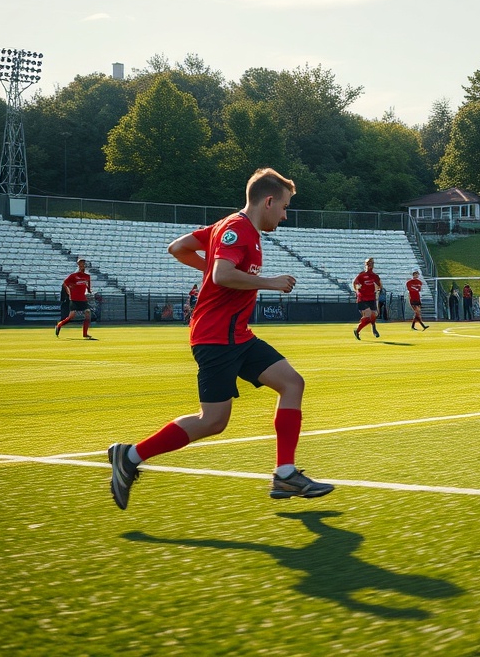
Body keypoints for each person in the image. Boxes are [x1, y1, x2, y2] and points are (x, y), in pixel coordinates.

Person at [107, 167, 333, 510]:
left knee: (292, 383)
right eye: (284, 207)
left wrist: (211, 268)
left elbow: (178, 247)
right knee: (212, 421)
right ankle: (131, 455)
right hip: (216, 337)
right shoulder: (237, 230)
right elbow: (223, 274)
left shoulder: (227, 228)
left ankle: (285, 473)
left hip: (237, 334)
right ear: (268, 201)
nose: (285, 215)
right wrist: (269, 281)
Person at [55, 259, 96, 340]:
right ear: (78, 265)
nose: (82, 266)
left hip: (82, 299)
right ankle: (59, 325)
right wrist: (69, 291)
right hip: (74, 298)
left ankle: (85, 334)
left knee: (88, 313)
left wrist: (90, 291)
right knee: (71, 316)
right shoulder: (73, 276)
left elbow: (88, 286)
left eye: (84, 264)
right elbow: (65, 283)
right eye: (81, 264)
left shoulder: (87, 276)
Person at [352, 258, 382, 340]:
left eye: (371, 263)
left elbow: (379, 285)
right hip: (362, 298)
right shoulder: (362, 275)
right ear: (365, 264)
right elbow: (355, 283)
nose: (370, 265)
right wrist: (356, 291)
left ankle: (358, 330)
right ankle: (372, 329)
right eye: (368, 263)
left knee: (374, 315)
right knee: (369, 316)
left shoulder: (375, 276)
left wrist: (378, 288)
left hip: (371, 298)